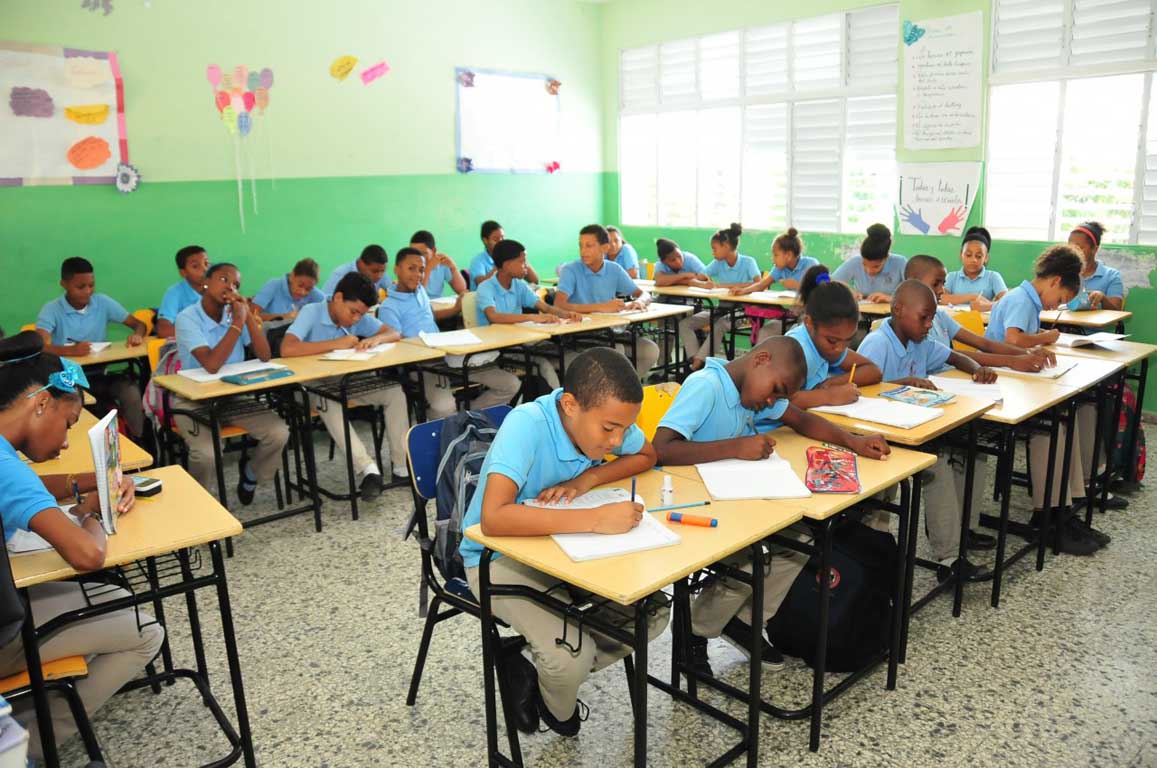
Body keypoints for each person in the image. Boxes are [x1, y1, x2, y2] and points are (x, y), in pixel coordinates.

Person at [459, 348, 668, 736]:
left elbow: (646, 454)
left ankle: (529, 662)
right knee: (571, 657)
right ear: (570, 405)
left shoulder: (605, 419)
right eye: (609, 429)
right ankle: (556, 695)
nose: (617, 440)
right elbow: (494, 518)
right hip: (496, 557)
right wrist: (595, 519)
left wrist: (587, 479)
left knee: (652, 613)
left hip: (566, 549)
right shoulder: (527, 424)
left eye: (624, 429)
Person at [653, 336, 889, 675]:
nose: (771, 402)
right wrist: (736, 447)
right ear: (761, 359)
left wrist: (854, 441)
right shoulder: (706, 386)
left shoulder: (756, 393)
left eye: (779, 397)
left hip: (734, 496)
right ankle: (695, 631)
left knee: (802, 541)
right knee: (750, 558)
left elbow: (802, 420)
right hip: (692, 503)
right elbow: (661, 449)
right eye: (775, 391)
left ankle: (742, 620)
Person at [0, 332, 163, 759]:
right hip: (3, 635)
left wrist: (95, 479)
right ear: (41, 403)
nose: (66, 442)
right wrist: (91, 511)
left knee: (113, 598)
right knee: (147, 630)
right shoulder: (4, 467)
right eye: (69, 424)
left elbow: (24, 485)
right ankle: (29, 743)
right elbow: (87, 554)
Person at [858, 280, 997, 580]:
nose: (929, 325)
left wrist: (977, 369)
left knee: (965, 452)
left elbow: (954, 356)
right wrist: (902, 385)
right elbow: (859, 390)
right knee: (935, 465)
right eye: (924, 317)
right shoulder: (877, 343)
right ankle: (947, 557)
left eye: (932, 318)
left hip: (917, 427)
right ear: (898, 310)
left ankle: (958, 540)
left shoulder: (919, 342)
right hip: (880, 432)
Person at [984, 246, 1108, 553]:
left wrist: (1039, 340)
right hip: (1001, 384)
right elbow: (1013, 339)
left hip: (1017, 379)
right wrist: (1044, 338)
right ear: (1054, 281)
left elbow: (1020, 338)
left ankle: (1065, 508)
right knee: (1051, 428)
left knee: (1066, 420)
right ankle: (1048, 515)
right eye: (1061, 299)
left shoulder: (1028, 300)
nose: (1057, 306)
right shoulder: (1020, 299)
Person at [281, 272, 409, 495]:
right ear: (338, 298)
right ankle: (368, 470)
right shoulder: (312, 311)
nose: (357, 319)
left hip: (343, 380)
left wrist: (375, 339)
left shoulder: (357, 315)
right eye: (354, 312)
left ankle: (401, 466)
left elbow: (394, 332)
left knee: (394, 392)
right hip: (309, 386)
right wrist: (335, 344)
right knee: (329, 400)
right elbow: (287, 348)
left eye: (362, 314)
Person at [173, 263, 290, 503]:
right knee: (206, 453)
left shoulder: (235, 315)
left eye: (236, 284)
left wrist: (247, 318)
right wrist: (237, 323)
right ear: (206, 282)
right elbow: (211, 364)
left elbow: (264, 355)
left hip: (232, 396)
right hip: (194, 401)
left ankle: (251, 474)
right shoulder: (187, 318)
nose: (230, 287)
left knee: (278, 432)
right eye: (224, 279)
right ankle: (199, 504)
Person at [380, 247, 521, 414]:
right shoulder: (388, 307)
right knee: (444, 406)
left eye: (422, 270)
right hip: (423, 365)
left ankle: (465, 416)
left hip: (448, 355)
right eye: (411, 268)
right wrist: (427, 347)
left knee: (510, 384)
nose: (418, 274)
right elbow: (397, 345)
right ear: (396, 269)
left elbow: (430, 315)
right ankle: (450, 422)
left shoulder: (420, 291)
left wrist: (455, 309)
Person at [35, 257, 148, 440]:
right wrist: (71, 351)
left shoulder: (102, 302)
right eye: (80, 287)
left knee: (130, 391)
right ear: (64, 284)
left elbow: (139, 324)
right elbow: (39, 345)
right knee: (84, 405)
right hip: (69, 380)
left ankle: (138, 440)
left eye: (91, 285)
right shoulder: (52, 309)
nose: (88, 291)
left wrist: (137, 335)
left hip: (100, 375)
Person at [906, 255, 1052, 373]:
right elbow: (951, 355)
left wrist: (1026, 353)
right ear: (912, 282)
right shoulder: (910, 322)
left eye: (943, 284)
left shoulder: (940, 316)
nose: (941, 290)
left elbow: (984, 343)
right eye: (935, 284)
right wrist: (1012, 361)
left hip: (951, 378)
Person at [554, 224, 660, 381]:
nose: (583, 251)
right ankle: (614, 390)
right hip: (581, 335)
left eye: (589, 246)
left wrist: (640, 301)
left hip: (611, 332)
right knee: (616, 351)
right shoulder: (571, 270)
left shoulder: (614, 269)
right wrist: (601, 307)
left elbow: (643, 294)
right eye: (581, 246)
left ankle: (626, 388)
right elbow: (559, 305)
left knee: (650, 350)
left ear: (604, 248)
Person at [476, 239, 580, 390]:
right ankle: (556, 400)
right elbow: (493, 316)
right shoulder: (486, 287)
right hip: (499, 349)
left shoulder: (519, 285)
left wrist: (567, 314)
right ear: (507, 265)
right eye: (522, 262)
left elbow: (545, 307)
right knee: (543, 365)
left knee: (565, 354)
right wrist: (532, 317)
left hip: (519, 343)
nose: (526, 266)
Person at [780, 265, 882, 411]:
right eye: (832, 341)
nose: (840, 348)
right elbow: (776, 402)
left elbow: (873, 371)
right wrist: (828, 395)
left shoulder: (829, 345)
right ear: (809, 323)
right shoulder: (798, 351)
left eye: (848, 340)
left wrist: (830, 384)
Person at [682, 223, 761, 372]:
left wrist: (723, 286)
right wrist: (703, 285)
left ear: (726, 246)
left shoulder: (748, 262)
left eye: (714, 248)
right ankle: (695, 359)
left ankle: (697, 364)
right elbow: (695, 279)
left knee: (720, 324)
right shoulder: (718, 263)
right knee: (685, 324)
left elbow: (759, 283)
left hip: (744, 313)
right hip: (722, 309)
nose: (713, 253)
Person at [730, 227, 819, 345]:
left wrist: (798, 285)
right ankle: (761, 357)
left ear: (788, 255)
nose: (773, 259)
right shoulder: (779, 269)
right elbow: (762, 285)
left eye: (776, 255)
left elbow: (824, 288)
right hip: (791, 315)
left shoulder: (811, 264)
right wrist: (744, 290)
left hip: (810, 316)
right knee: (765, 332)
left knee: (795, 336)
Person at [832, 223, 906, 302]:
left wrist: (891, 299)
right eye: (864, 264)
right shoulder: (855, 262)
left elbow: (914, 291)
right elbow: (828, 280)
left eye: (876, 266)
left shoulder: (900, 263)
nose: (869, 271)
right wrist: (849, 291)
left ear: (886, 258)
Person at [941, 227, 1007, 311]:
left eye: (978, 256)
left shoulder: (993, 277)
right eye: (968, 255)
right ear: (961, 255)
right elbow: (941, 299)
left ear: (986, 258)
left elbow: (1007, 301)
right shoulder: (952, 277)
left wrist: (987, 306)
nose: (973, 260)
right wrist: (973, 296)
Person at [1068, 221, 1125, 311]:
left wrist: (1102, 298)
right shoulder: (1063, 273)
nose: (1073, 251)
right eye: (1070, 247)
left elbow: (1117, 310)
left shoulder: (1111, 276)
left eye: (1079, 247)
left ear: (1094, 249)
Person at [156, 245, 210, 339]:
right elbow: (163, 330)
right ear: (183, 273)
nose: (205, 269)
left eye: (206, 263)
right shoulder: (175, 292)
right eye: (195, 266)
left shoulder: (217, 289)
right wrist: (202, 331)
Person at [251, 258, 325, 322]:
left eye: (308, 289)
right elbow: (252, 315)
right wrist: (283, 317)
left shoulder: (314, 293)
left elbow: (329, 305)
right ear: (292, 276)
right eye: (300, 285)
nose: (302, 292)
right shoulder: (274, 285)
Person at [469, 221, 540, 289]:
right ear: (485, 240)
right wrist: (500, 264)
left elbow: (535, 281)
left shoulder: (510, 256)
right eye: (496, 239)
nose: (501, 242)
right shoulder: (478, 261)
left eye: (502, 238)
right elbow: (481, 283)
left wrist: (521, 260)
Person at [410, 229, 467, 300]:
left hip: (438, 303)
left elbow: (461, 290)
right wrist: (428, 268)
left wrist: (453, 267)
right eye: (413, 253)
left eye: (423, 253)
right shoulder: (409, 266)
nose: (417, 258)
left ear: (434, 251)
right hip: (418, 303)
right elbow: (417, 294)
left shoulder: (441, 262)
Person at [322, 245, 391, 296]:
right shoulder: (340, 275)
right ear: (361, 263)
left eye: (383, 271)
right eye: (374, 271)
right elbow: (326, 301)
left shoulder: (380, 270)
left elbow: (392, 291)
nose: (379, 276)